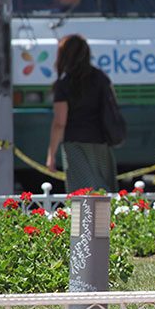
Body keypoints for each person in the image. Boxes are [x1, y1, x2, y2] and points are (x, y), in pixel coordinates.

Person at [45, 34, 118, 192]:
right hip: (101, 142)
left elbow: (60, 123)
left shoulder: (64, 85)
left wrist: (51, 154)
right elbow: (112, 105)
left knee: (83, 193)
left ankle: (88, 218)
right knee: (103, 191)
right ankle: (106, 218)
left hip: (75, 145)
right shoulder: (101, 78)